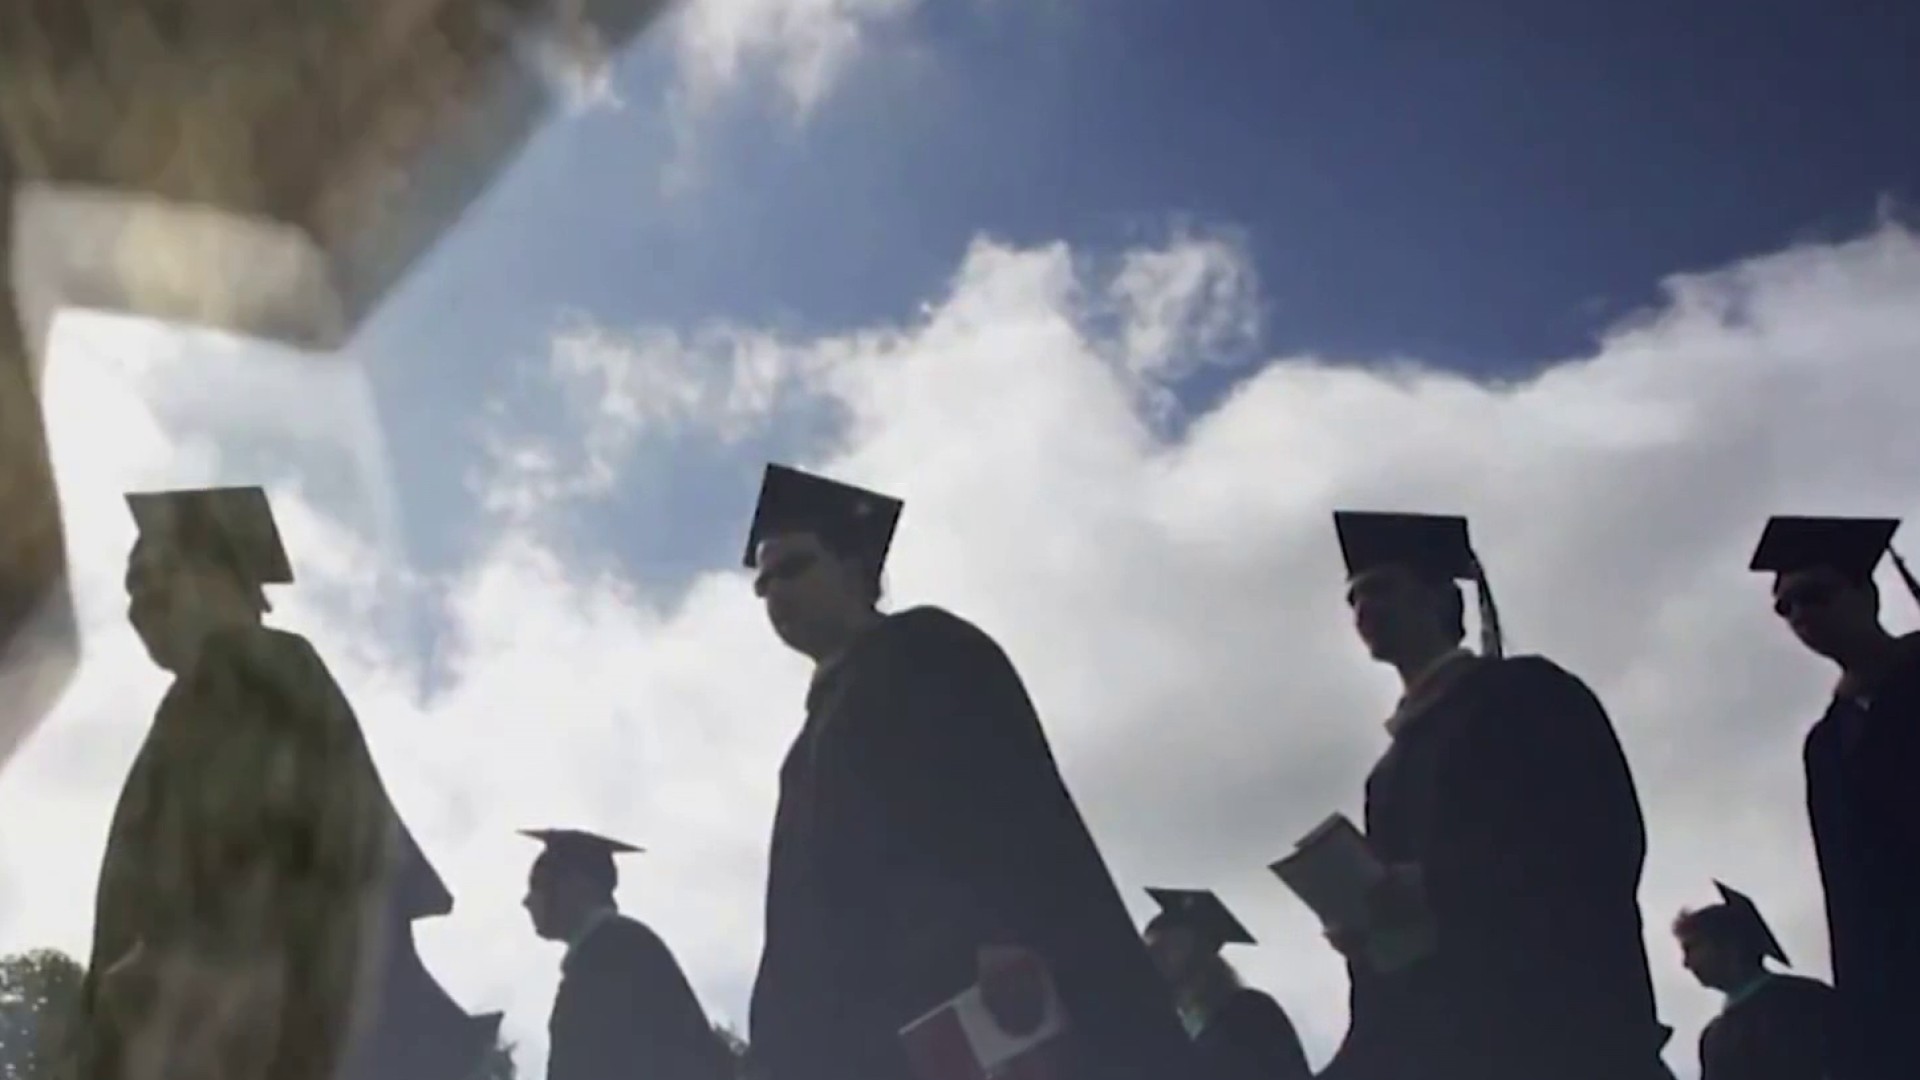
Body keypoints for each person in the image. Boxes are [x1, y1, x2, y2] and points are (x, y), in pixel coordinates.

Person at [742, 463, 1196, 1080]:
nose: (776, 594)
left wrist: (1003, 934)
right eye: (762, 584)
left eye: (794, 568)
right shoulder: (805, 745)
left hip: (968, 989)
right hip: (868, 1025)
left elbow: (1009, 798)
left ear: (857, 572)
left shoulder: (926, 649)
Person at [74, 485, 493, 1080]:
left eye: (153, 575)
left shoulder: (252, 667)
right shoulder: (210, 689)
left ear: (219, 575)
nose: (139, 603)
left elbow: (256, 857)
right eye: (131, 587)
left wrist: (166, 972)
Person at [1315, 510, 1671, 1080]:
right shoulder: (1386, 774)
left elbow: (1599, 839)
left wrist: (1432, 884)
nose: (1364, 611)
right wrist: (1370, 935)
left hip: (1561, 1029)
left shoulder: (1525, 693)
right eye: (1353, 600)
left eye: (1381, 588)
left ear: (1438, 598)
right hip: (1456, 1044)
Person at [1749, 514, 1920, 1080]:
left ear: (1866, 593)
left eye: (1813, 595)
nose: (1801, 616)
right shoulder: (1825, 744)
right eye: (1785, 608)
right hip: (1894, 989)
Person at [520, 828, 730, 1080]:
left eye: (539, 884)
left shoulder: (613, 954)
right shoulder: (615, 948)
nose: (528, 900)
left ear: (576, 885)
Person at [1142, 888, 1310, 1080]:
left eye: (1167, 947)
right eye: (1151, 951)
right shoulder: (1176, 1031)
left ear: (1201, 953)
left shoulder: (1250, 1010)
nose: (1155, 959)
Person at [1674, 881, 1833, 1080]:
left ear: (1730, 944)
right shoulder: (1714, 1037)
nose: (1686, 963)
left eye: (1693, 947)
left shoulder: (1805, 1001)